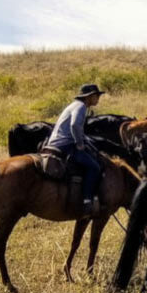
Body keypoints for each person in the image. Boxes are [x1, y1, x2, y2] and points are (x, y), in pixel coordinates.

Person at [44, 83, 105, 215]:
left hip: (57, 142)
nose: (98, 98)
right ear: (89, 97)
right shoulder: (81, 106)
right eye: (96, 95)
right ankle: (87, 200)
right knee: (94, 167)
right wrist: (79, 143)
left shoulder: (74, 105)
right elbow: (75, 125)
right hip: (65, 144)